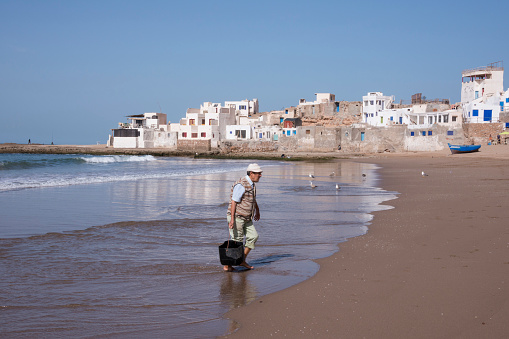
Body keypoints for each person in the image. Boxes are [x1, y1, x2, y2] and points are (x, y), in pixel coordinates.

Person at [224, 163, 262, 272]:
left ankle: (241, 259)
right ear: (251, 173)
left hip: (247, 218)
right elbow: (234, 202)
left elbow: (252, 199)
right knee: (237, 241)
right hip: (237, 217)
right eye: (258, 173)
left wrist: (257, 210)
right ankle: (228, 265)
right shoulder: (241, 184)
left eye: (260, 173)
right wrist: (232, 219)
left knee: (253, 236)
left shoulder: (252, 184)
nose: (260, 175)